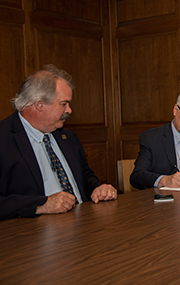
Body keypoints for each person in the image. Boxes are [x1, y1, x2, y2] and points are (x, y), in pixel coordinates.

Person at [0, 64, 117, 221]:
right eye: (64, 104)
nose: (69, 110)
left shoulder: (67, 137)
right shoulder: (4, 139)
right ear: (39, 104)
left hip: (85, 225)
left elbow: (85, 175)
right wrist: (40, 204)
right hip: (33, 236)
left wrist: (98, 188)